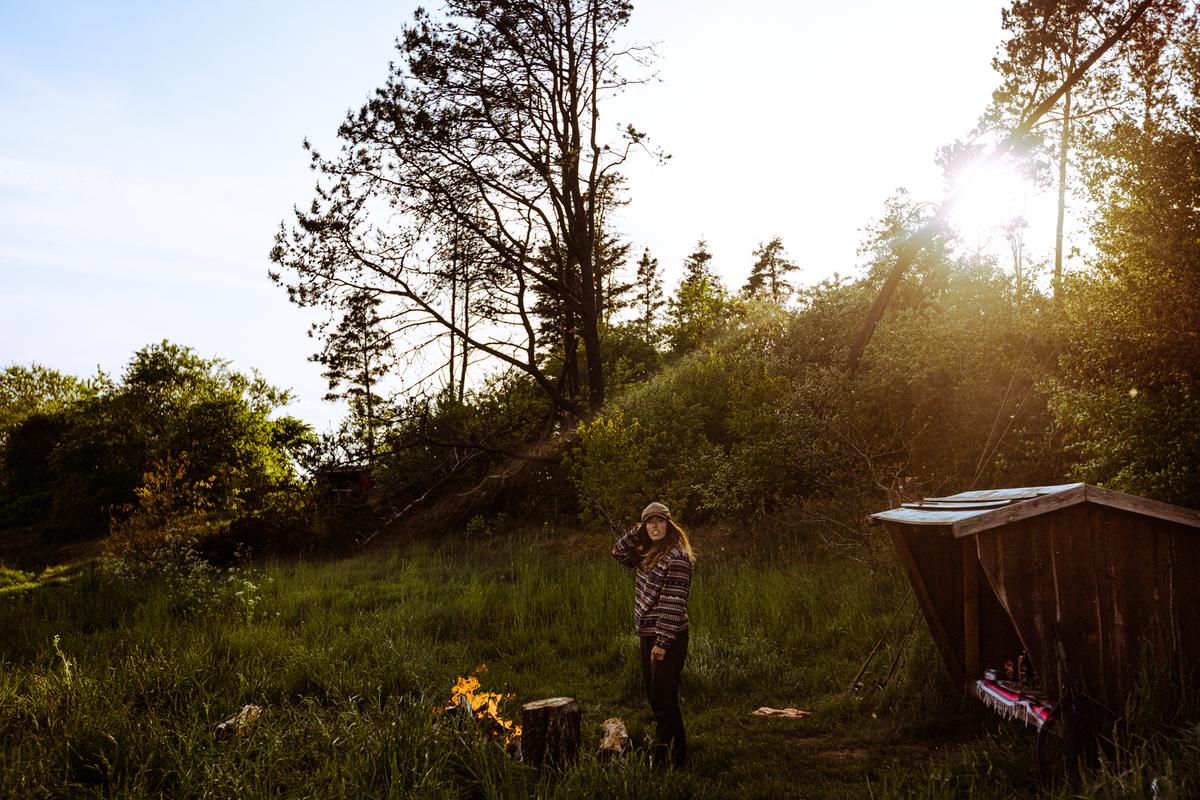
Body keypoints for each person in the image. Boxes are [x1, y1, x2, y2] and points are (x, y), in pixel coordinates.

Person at [611, 501, 695, 768]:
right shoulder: (647, 550)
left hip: (667, 638)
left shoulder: (677, 557)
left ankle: (671, 758)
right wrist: (638, 531)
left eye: (659, 521)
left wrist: (662, 642)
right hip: (648, 635)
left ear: (668, 525)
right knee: (655, 696)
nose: (654, 526)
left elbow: (673, 602)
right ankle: (669, 752)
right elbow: (618, 552)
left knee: (664, 699)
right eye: (649, 522)